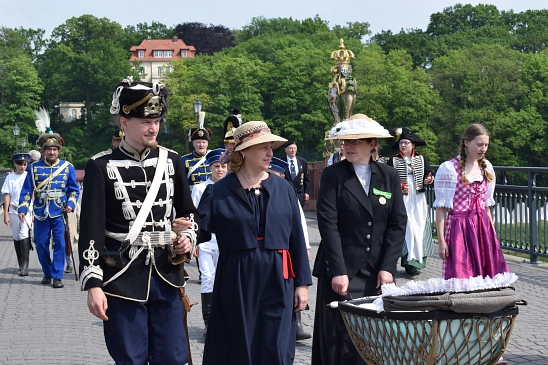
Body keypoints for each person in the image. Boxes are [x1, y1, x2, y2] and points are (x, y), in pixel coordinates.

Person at [78, 77, 199, 365]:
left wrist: (187, 237)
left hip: (167, 275)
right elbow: (91, 230)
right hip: (122, 277)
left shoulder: (172, 161)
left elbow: (189, 213)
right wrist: (93, 284)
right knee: (130, 358)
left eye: (156, 120)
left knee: (173, 357)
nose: (153, 128)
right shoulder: (100, 166)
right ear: (124, 123)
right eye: (145, 121)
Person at [198, 121, 312, 364]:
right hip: (237, 276)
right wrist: (181, 237)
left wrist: (301, 284)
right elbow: (198, 230)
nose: (270, 153)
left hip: (278, 276)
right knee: (240, 344)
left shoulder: (284, 188)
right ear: (244, 151)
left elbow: (297, 238)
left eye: (271, 147)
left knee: (276, 345)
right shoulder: (218, 192)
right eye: (263, 147)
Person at [311, 114, 407, 365]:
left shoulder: (389, 175)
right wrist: (339, 270)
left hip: (375, 272)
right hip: (340, 270)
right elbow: (328, 225)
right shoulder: (333, 175)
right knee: (337, 341)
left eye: (355, 142)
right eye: (344, 142)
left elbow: (397, 224)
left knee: (372, 339)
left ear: (372, 143)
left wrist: (388, 267)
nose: (348, 147)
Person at [434, 123, 509, 280]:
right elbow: (440, 208)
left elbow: (486, 206)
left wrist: (493, 235)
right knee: (462, 274)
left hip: (483, 226)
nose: (483, 148)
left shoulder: (486, 167)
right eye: (480, 144)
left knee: (488, 272)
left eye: (486, 145)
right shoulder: (449, 168)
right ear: (467, 143)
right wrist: (441, 242)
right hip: (459, 228)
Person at [18, 124, 80, 289]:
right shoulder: (33, 168)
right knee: (40, 243)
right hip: (40, 212)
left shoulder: (67, 168)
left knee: (60, 243)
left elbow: (74, 190)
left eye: (54, 149)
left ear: (58, 151)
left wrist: (71, 204)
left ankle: (57, 276)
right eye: (49, 149)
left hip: (59, 212)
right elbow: (26, 191)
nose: (52, 152)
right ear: (43, 151)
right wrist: (23, 209)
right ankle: (47, 272)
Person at [268, 156, 312, 341]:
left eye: (275, 174)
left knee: (293, 288)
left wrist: (307, 246)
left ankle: (297, 323)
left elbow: (299, 226)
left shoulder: (287, 192)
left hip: (287, 252)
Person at [387, 127, 435, 276]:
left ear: (413, 145)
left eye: (406, 143)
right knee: (404, 226)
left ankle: (414, 263)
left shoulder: (421, 158)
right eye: (401, 143)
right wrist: (400, 186)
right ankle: (398, 260)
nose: (403, 145)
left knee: (419, 226)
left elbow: (428, 174)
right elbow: (388, 179)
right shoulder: (393, 160)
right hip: (401, 198)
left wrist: (429, 178)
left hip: (418, 198)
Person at [190, 148, 227, 338]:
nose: (220, 170)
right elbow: (193, 217)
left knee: (225, 279)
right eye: (216, 166)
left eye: (223, 166)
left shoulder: (232, 186)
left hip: (227, 240)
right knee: (207, 277)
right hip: (206, 240)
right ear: (210, 168)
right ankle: (209, 321)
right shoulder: (200, 188)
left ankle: (225, 319)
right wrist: (194, 241)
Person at [2, 153, 33, 276]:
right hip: (14, 210)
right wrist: (6, 214)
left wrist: (33, 212)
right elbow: (7, 196)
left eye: (25, 164)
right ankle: (20, 263)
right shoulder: (10, 178)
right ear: (15, 164)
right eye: (19, 164)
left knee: (24, 234)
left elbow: (33, 194)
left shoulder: (29, 176)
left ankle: (25, 265)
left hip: (26, 210)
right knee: (16, 236)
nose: (22, 167)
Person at [182, 111, 212, 189]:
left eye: (204, 142)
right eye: (198, 142)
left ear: (207, 143)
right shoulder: (184, 160)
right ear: (193, 144)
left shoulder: (213, 157)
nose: (201, 145)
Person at [283, 141, 310, 208]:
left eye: (295, 148)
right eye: (290, 148)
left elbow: (306, 179)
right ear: (285, 150)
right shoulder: (281, 161)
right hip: (285, 193)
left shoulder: (302, 161)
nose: (293, 150)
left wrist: (307, 192)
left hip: (299, 193)